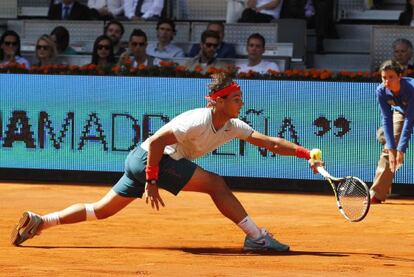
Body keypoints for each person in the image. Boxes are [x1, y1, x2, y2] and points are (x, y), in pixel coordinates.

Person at [10, 72, 323, 252]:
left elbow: (270, 143)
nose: (242, 103)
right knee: (216, 184)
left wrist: (305, 153)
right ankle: (257, 238)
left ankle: (42, 221)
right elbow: (159, 142)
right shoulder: (197, 121)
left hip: (139, 157)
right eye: (236, 98)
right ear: (219, 101)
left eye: (241, 98)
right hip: (151, 159)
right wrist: (151, 178)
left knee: (101, 210)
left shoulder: (233, 125)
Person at [370, 60, 414, 204]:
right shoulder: (381, 91)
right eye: (384, 77)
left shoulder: (411, 88)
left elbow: (409, 120)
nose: (387, 81)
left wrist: (401, 150)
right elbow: (386, 119)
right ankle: (377, 194)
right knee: (388, 150)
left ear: (399, 76)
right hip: (401, 112)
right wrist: (392, 147)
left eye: (391, 77)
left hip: (409, 113)